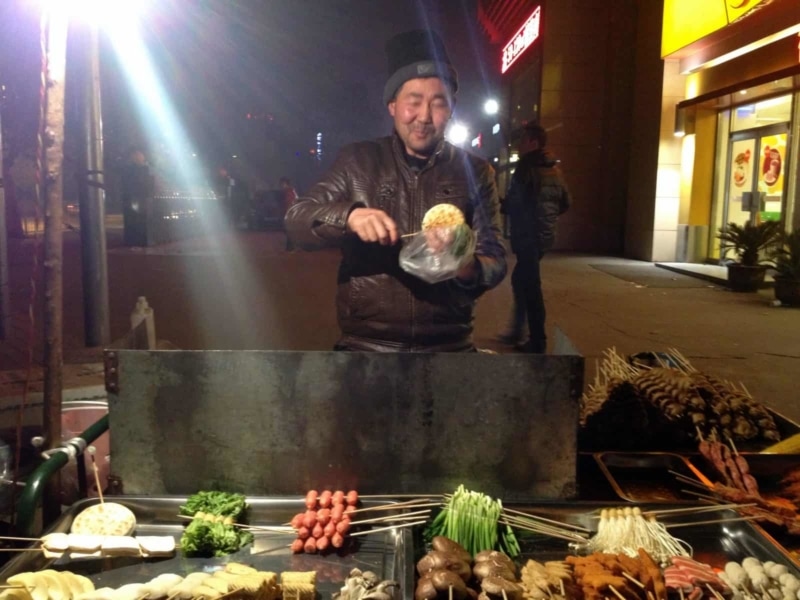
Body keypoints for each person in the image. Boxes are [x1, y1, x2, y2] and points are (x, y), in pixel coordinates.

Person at [285, 29, 507, 352]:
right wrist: (349, 215)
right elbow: (296, 219)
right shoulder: (357, 160)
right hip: (367, 344)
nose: (424, 117)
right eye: (413, 102)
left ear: (452, 108)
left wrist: (466, 263)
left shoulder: (475, 171)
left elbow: (496, 258)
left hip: (449, 346)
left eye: (438, 104)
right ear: (392, 105)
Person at [497, 123, 571, 353]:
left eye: (523, 140)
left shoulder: (526, 168)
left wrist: (499, 203)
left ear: (533, 142)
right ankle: (516, 331)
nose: (519, 144)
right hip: (543, 236)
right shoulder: (554, 169)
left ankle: (537, 340)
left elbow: (513, 204)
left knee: (530, 287)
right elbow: (566, 202)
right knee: (521, 281)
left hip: (528, 235)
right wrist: (546, 220)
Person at [280, 176, 298, 250]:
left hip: (291, 213)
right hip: (292, 212)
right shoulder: (289, 191)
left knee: (289, 230)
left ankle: (291, 247)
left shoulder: (289, 191)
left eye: (282, 184)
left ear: (285, 183)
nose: (281, 186)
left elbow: (291, 203)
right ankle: (290, 246)